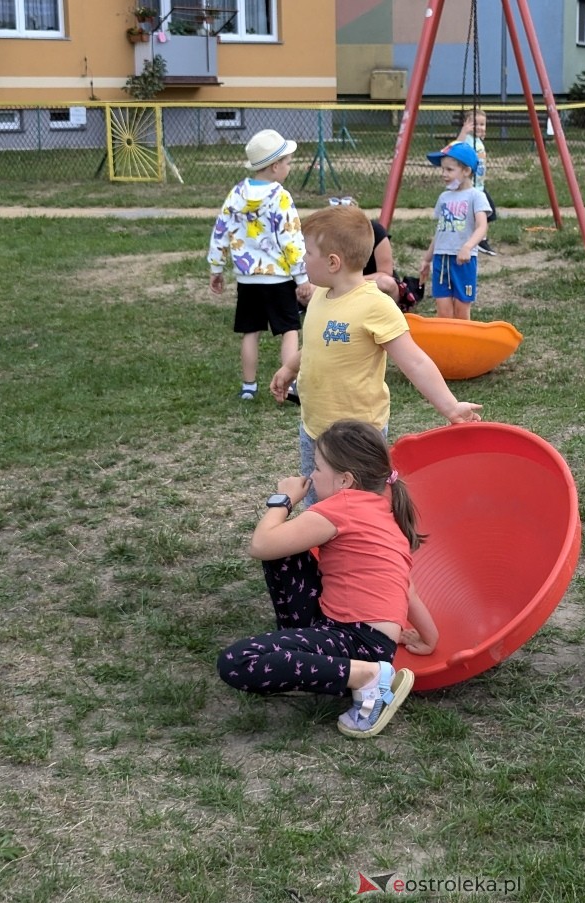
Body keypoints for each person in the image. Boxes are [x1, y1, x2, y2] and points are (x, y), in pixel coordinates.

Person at [217, 419, 440, 738]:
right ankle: (323, 664)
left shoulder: (342, 507)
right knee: (286, 549)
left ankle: (369, 679)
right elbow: (408, 588)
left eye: (317, 468)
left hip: (355, 641)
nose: (310, 475)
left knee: (238, 662)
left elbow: (260, 544)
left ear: (345, 480)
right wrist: (430, 638)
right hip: (365, 638)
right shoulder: (383, 513)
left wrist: (283, 500)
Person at [269, 205, 482, 505]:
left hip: (358, 434)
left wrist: (450, 406)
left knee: (363, 504)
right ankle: (321, 549)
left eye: (307, 253)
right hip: (314, 426)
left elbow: (415, 361)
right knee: (318, 500)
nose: (302, 259)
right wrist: (290, 367)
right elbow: (318, 343)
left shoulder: (375, 306)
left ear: (333, 262)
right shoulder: (320, 295)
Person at [208, 129, 313, 402]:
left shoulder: (236, 194)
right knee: (289, 329)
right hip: (278, 278)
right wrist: (302, 278)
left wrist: (217, 268)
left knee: (250, 331)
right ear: (275, 166)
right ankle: (290, 385)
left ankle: (248, 386)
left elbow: (220, 231)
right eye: (289, 162)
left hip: (247, 279)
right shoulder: (281, 197)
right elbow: (291, 239)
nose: (289, 167)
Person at [419, 142, 492, 320]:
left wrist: (467, 246)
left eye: (449, 170)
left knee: (461, 310)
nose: (444, 174)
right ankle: (445, 347)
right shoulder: (444, 197)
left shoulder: (476, 196)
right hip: (441, 259)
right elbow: (440, 231)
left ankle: (463, 346)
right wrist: (427, 259)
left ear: (466, 171)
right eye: (442, 169)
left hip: (463, 261)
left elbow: (482, 226)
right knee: (443, 311)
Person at [453, 109, 497, 256]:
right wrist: (464, 132)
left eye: (483, 124)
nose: (479, 127)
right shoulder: (466, 140)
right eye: (475, 124)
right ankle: (481, 240)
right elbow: (454, 147)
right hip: (471, 187)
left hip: (480, 186)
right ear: (467, 125)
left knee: (489, 212)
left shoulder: (478, 141)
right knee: (484, 213)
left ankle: (477, 239)